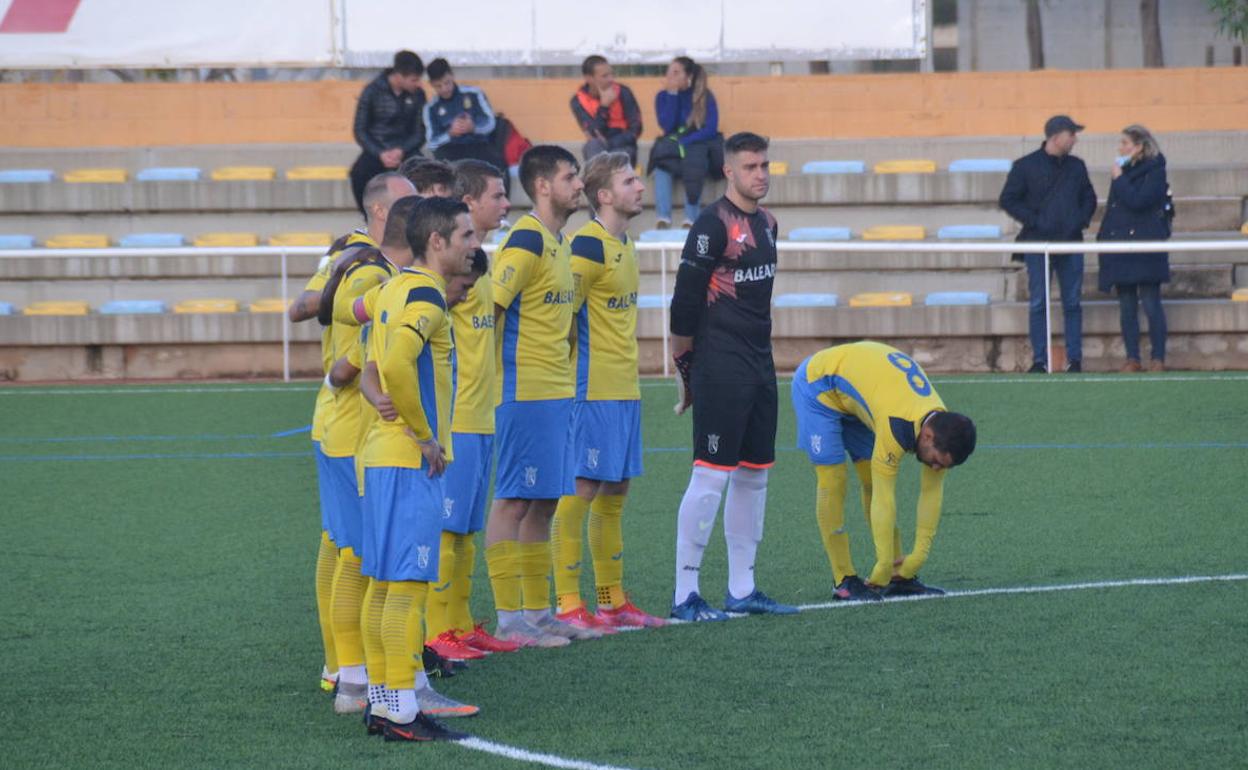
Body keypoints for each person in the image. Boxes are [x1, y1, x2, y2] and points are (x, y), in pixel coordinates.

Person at [357, 196, 477, 742]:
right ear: (438, 242)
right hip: (409, 462)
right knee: (404, 588)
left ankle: (384, 704)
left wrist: (385, 400)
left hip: (382, 457)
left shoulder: (391, 288)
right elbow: (400, 360)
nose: (473, 246)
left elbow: (370, 366)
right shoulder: (426, 293)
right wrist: (425, 434)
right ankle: (401, 710)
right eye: (466, 236)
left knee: (383, 588)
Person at [289, 171, 414, 696]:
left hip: (347, 424)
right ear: (382, 211)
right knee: (356, 553)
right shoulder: (362, 264)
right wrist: (347, 364)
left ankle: (342, 668)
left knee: (343, 546)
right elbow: (309, 315)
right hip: (349, 427)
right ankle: (351, 674)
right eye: (413, 202)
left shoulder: (365, 262)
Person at [668, 132, 795, 622]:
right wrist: (686, 370)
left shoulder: (768, 222)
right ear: (730, 172)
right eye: (750, 167)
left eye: (765, 165)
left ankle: (743, 588)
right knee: (711, 476)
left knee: (755, 476)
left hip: (760, 363)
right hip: (720, 365)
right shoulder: (711, 225)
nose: (760, 174)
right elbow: (683, 304)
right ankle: (685, 594)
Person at [549, 152, 667, 632]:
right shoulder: (587, 247)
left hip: (625, 387)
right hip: (592, 387)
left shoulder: (626, 246)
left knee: (616, 491)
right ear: (604, 195)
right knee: (581, 490)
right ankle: (567, 602)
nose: (640, 187)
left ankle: (612, 599)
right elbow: (562, 318)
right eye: (629, 180)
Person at [483, 145, 595, 647]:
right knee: (513, 499)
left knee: (545, 501)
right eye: (571, 177)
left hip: (556, 390)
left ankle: (537, 611)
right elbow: (492, 310)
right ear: (544, 185)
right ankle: (509, 619)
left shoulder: (560, 242)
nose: (579, 185)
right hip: (523, 390)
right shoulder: (525, 239)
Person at [423, 159, 522, 659]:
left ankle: (460, 626)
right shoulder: (447, 270)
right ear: (469, 203)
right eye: (498, 196)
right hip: (456, 418)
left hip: (483, 415)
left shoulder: (480, 263)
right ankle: (437, 634)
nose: (506, 205)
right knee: (447, 528)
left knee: (465, 529)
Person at [791, 342, 977, 602]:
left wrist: (917, 557)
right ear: (927, 435)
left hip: (858, 400)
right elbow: (884, 495)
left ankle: (899, 576)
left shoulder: (942, 426)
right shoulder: (897, 424)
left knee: (868, 477)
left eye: (943, 466)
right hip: (818, 387)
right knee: (834, 480)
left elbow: (931, 492)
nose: (936, 468)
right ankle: (843, 578)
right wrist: (882, 563)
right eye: (936, 461)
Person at [999, 115, 1097, 373]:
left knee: (1072, 303)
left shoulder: (1077, 166)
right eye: (1071, 134)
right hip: (1037, 245)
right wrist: (1035, 221)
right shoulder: (1025, 166)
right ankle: (1040, 360)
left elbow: (1090, 197)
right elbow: (1008, 199)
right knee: (1039, 303)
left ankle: (1074, 360)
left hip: (1071, 244)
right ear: (1056, 137)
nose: (1075, 139)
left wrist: (1079, 221)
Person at [1097, 124, 1171, 372]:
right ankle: (1132, 357)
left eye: (1125, 144)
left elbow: (1139, 201)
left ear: (1139, 147)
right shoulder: (1123, 170)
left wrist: (1119, 180)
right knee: (1126, 305)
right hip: (1120, 245)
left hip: (1145, 245)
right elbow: (1114, 207)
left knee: (1151, 302)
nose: (1121, 148)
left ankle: (1158, 357)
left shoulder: (1156, 170)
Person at [349, 51, 427, 215]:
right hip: (377, 149)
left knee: (426, 173)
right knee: (358, 173)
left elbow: (420, 132)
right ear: (399, 76)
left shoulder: (418, 95)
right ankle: (369, 218)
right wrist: (380, 153)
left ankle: (420, 216)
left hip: (406, 149)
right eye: (414, 79)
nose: (418, 84)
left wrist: (402, 150)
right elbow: (360, 130)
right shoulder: (372, 91)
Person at [648, 56, 722, 229]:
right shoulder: (663, 96)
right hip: (674, 146)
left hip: (697, 145)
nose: (670, 76)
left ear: (688, 76)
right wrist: (673, 95)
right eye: (669, 71)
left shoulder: (704, 96)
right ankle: (663, 218)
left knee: (696, 159)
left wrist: (686, 141)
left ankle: (691, 218)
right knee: (661, 165)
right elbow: (667, 126)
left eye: (676, 72)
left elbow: (710, 129)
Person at [423, 58, 506, 173]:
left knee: (497, 166)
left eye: (447, 83)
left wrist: (473, 127)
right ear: (431, 84)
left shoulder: (474, 93)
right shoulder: (431, 108)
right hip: (451, 150)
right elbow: (431, 142)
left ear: (452, 76)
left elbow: (491, 123)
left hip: (477, 145)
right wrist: (450, 133)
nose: (444, 89)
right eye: (438, 86)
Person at [570, 55, 643, 165]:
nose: (611, 79)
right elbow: (593, 133)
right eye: (605, 76)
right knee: (592, 145)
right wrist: (604, 106)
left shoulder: (623, 92)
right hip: (598, 147)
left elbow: (636, 129)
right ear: (589, 78)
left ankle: (603, 178)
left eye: (611, 74)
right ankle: (600, 180)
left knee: (614, 158)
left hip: (623, 145)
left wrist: (610, 143)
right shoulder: (578, 101)